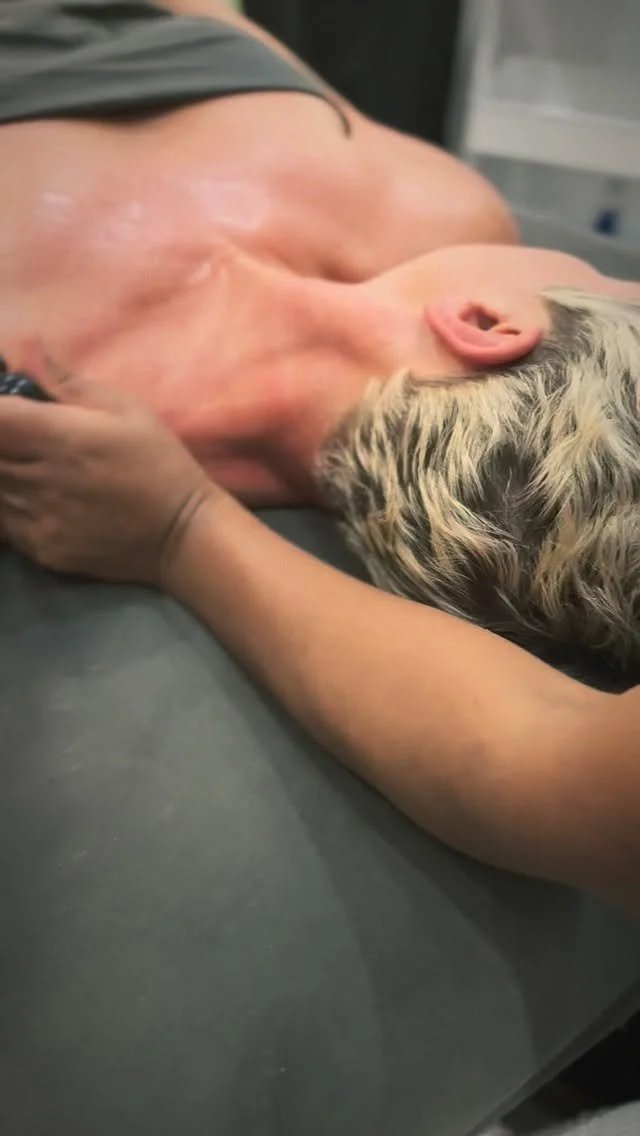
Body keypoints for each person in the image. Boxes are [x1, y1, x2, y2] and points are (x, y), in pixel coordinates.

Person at [1, 0, 640, 910]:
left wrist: (185, 532)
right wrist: (180, 527)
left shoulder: (439, 208)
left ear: (487, 323)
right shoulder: (58, 413)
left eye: (614, 281)